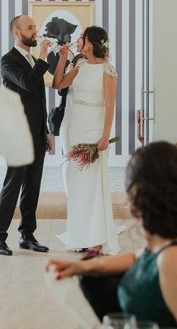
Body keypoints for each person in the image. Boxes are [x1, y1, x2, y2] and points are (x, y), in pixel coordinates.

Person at [47, 142, 177, 329]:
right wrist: (81, 266)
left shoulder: (175, 259)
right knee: (92, 277)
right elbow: (138, 258)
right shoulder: (168, 241)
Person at [52, 26, 120, 256]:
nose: (79, 40)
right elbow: (58, 84)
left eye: (83, 38)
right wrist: (62, 59)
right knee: (77, 184)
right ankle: (80, 235)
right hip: (75, 128)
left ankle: (97, 239)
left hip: (94, 129)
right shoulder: (80, 66)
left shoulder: (108, 70)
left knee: (93, 184)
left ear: (90, 43)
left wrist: (104, 137)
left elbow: (110, 105)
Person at [0, 15, 53, 256]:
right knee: (12, 185)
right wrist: (44, 59)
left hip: (37, 135)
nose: (35, 31)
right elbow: (28, 83)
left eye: (35, 27)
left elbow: (39, 99)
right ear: (16, 33)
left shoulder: (32, 60)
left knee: (32, 186)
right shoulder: (8, 61)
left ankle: (27, 235)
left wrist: (45, 131)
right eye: (30, 28)